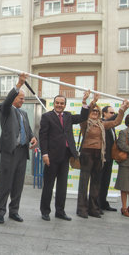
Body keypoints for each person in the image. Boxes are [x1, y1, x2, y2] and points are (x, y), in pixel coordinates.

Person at [39, 90, 91, 222]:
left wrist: (84, 103)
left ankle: (60, 211)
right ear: (54, 104)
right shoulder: (47, 117)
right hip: (51, 157)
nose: (59, 105)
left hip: (65, 156)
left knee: (62, 187)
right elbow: (43, 137)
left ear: (65, 105)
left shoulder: (68, 116)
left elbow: (83, 118)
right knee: (48, 186)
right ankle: (45, 211)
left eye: (62, 103)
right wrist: (44, 154)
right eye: (57, 103)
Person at [76, 99, 129, 219]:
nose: (95, 112)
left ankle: (94, 208)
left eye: (97, 111)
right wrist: (89, 102)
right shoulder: (84, 123)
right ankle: (81, 209)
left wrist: (122, 110)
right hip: (87, 154)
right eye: (93, 110)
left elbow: (116, 122)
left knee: (96, 183)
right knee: (84, 183)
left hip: (99, 155)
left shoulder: (102, 124)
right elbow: (83, 115)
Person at [0, 73, 37, 224]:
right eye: (21, 98)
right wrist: (19, 84)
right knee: (5, 183)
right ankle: (0, 212)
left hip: (22, 152)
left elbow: (29, 130)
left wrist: (33, 137)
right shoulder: (5, 109)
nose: (23, 101)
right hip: (9, 151)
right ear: (13, 98)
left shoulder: (24, 113)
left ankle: (14, 211)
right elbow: (6, 102)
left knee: (18, 184)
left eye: (24, 98)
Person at [97, 106, 118, 212]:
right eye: (111, 113)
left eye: (114, 113)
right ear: (104, 113)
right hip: (101, 158)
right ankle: (96, 204)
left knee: (106, 182)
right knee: (99, 182)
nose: (113, 115)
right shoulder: (101, 123)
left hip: (110, 158)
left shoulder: (112, 126)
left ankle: (103, 203)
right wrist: (122, 111)